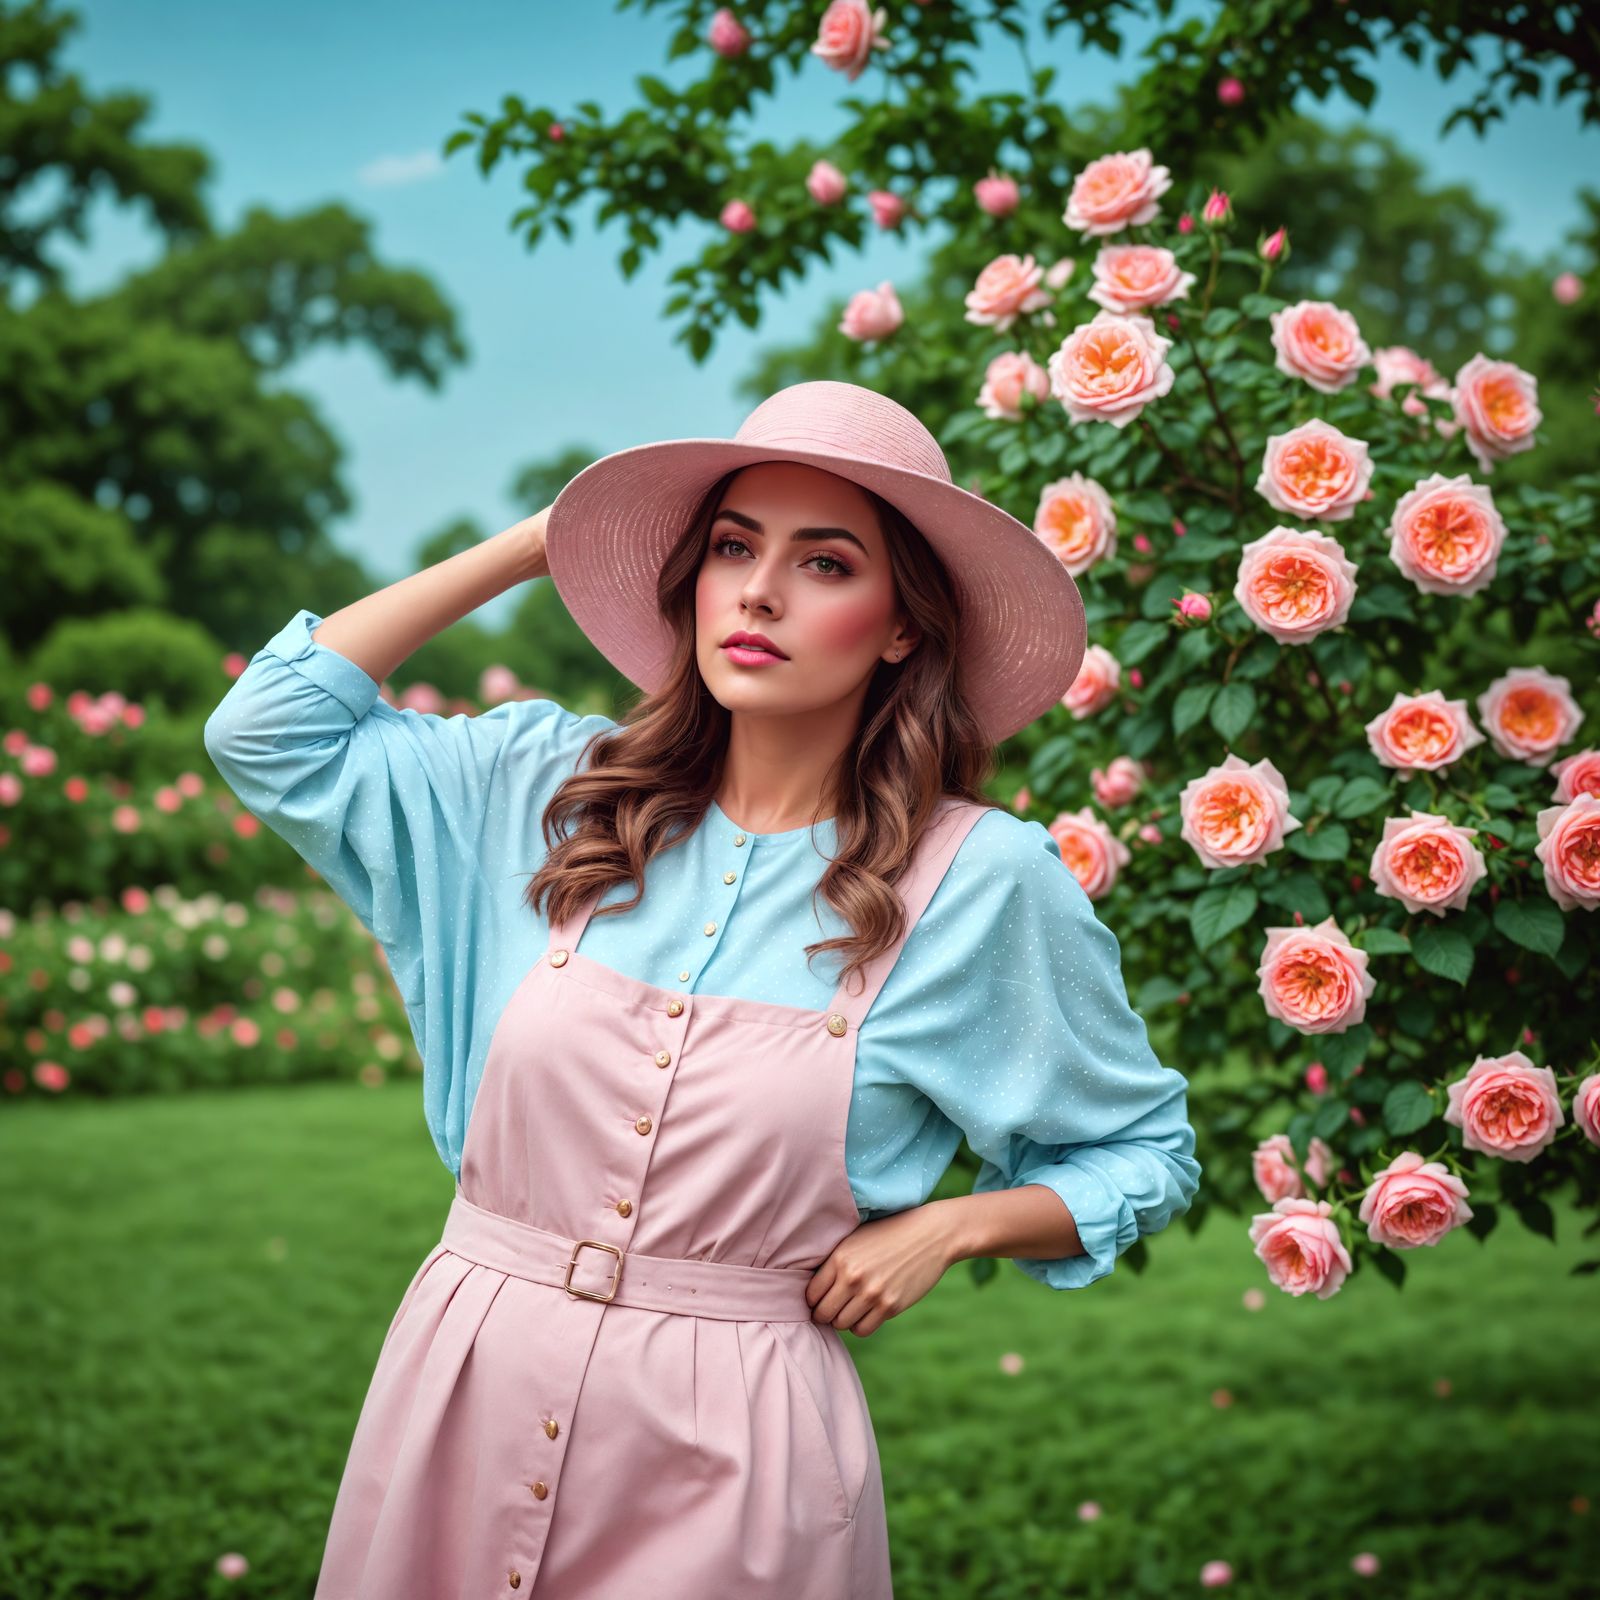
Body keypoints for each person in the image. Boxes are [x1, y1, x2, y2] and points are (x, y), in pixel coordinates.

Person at [203, 380, 1202, 1599]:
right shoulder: (547, 788)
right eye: (730, 548)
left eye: (824, 563)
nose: (759, 593)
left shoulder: (980, 881)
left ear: (900, 626)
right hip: (464, 1388)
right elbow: (266, 728)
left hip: (738, 1452)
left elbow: (1142, 1150)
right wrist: (547, 538)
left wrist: (953, 1226)